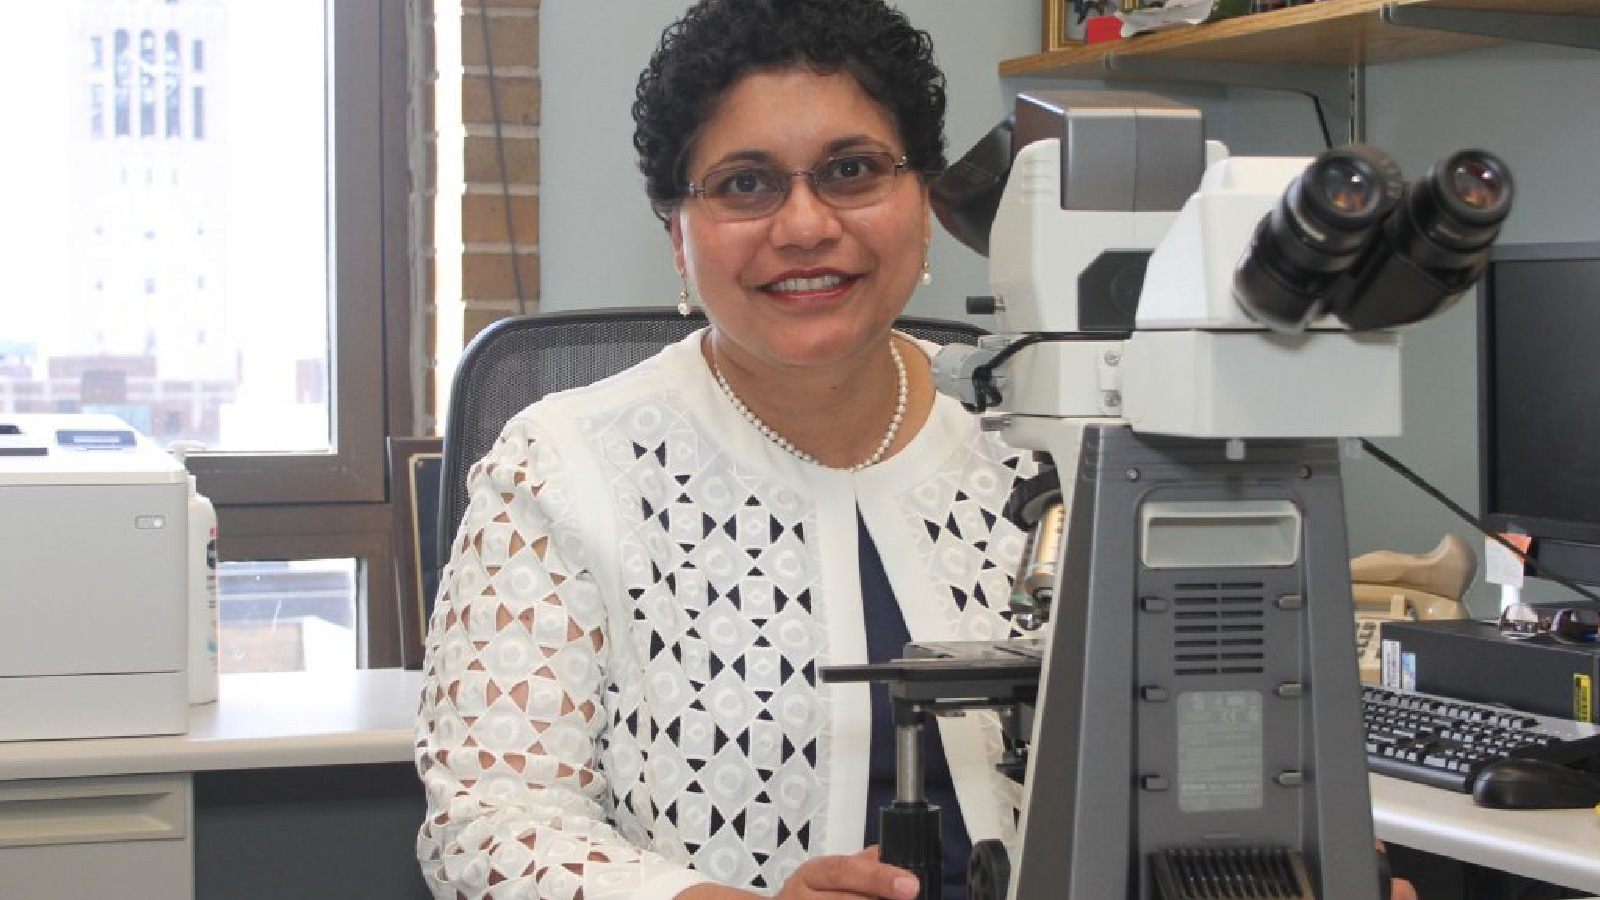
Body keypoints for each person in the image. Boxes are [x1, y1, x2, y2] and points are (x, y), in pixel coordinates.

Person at [413, 3, 1418, 900]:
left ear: (924, 204)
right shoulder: (560, 464)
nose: (805, 225)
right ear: (677, 234)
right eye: (744, 183)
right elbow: (489, 824)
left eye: (851, 170)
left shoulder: (1042, 426)